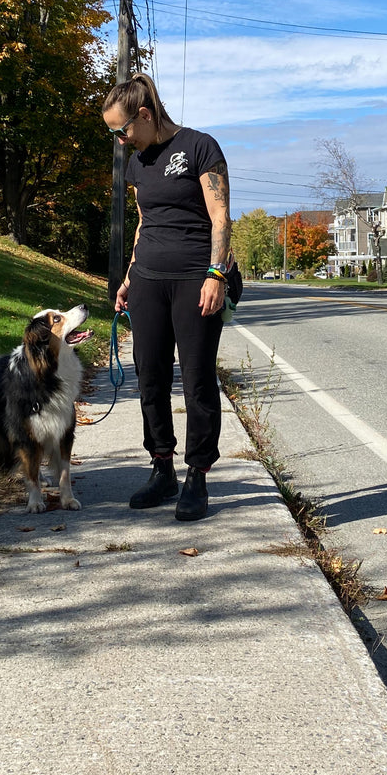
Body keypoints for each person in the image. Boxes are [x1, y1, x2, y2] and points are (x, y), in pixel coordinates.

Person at [102, 72, 233, 522]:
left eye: (122, 130)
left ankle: (197, 475)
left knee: (197, 381)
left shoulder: (200, 147)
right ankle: (162, 469)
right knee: (150, 378)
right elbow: (144, 221)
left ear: (144, 115)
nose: (120, 141)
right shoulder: (138, 162)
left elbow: (220, 216)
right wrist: (128, 276)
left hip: (196, 279)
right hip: (147, 281)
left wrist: (216, 274)